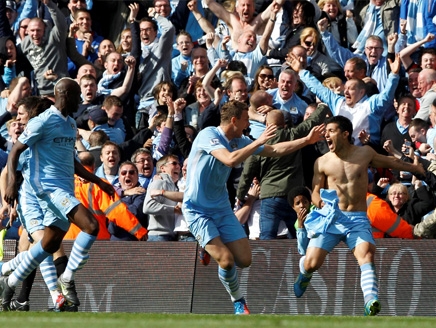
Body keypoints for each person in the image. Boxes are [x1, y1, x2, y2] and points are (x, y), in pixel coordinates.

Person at [182, 100, 325, 314]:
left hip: (221, 209)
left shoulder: (239, 140)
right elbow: (230, 160)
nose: (248, 123)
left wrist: (306, 140)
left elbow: (275, 149)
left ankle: (208, 244)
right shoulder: (208, 135)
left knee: (245, 260)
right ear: (234, 120)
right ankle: (238, 301)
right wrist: (255, 142)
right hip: (196, 209)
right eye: (246, 119)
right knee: (227, 261)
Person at [293, 115, 425, 316]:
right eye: (325, 131)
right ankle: (304, 273)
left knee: (367, 254)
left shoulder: (364, 153)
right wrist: (319, 202)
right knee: (312, 263)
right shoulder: (322, 162)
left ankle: (370, 301)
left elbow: (389, 161)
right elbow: (316, 191)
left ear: (345, 134)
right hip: (331, 217)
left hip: (357, 218)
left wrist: (413, 167)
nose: (326, 135)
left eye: (331, 131)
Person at [1, 78, 115, 310]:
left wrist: (98, 182)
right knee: (91, 226)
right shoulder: (42, 122)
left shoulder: (70, 123)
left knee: (48, 245)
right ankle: (66, 279)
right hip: (46, 189)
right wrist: (12, 184)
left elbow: (71, 161)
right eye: (76, 96)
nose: (80, 101)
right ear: (63, 94)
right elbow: (15, 151)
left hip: (65, 188)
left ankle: (9, 282)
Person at [143, 154, 182, 241]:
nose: (178, 167)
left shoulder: (174, 187)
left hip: (169, 237)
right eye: (174, 163)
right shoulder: (159, 182)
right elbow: (148, 207)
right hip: (158, 236)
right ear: (162, 168)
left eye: (179, 164)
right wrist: (173, 209)